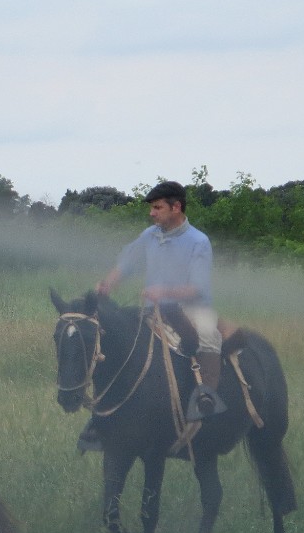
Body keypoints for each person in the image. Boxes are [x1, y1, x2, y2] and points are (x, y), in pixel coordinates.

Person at [81, 180, 224, 450]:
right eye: (152, 208)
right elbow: (125, 265)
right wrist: (107, 284)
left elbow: (197, 287)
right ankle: (101, 418)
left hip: (192, 309)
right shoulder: (150, 235)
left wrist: (164, 291)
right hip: (153, 310)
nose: (152, 213)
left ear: (176, 207)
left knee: (209, 338)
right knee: (117, 338)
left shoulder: (199, 241)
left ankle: (206, 398)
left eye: (157, 208)